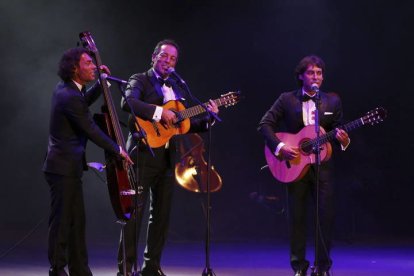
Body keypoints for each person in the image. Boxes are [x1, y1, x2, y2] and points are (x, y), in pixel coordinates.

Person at [117, 39, 218, 276]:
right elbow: (128, 102)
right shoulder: (139, 79)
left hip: (167, 157)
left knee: (161, 215)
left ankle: (151, 267)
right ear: (153, 57)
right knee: (134, 213)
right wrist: (160, 111)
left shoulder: (178, 88)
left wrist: (209, 117)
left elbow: (183, 125)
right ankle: (126, 269)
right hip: (142, 153)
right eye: (164, 56)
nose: (168, 61)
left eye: (173, 58)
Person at [43, 47, 132, 276]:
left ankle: (80, 270)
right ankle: (57, 269)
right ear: (75, 68)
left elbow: (82, 102)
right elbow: (90, 128)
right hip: (62, 168)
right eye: (88, 63)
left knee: (76, 222)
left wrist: (102, 83)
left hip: (68, 168)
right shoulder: (68, 96)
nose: (94, 66)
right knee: (63, 222)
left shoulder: (69, 91)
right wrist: (118, 149)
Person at [258, 55, 350, 276]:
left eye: (319, 73)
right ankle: (299, 266)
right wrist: (280, 147)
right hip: (295, 165)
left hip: (323, 169)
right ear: (301, 76)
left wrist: (344, 140)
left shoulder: (332, 101)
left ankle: (322, 267)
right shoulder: (287, 99)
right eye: (311, 72)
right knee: (297, 218)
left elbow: (337, 132)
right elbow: (265, 124)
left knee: (324, 218)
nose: (316, 76)